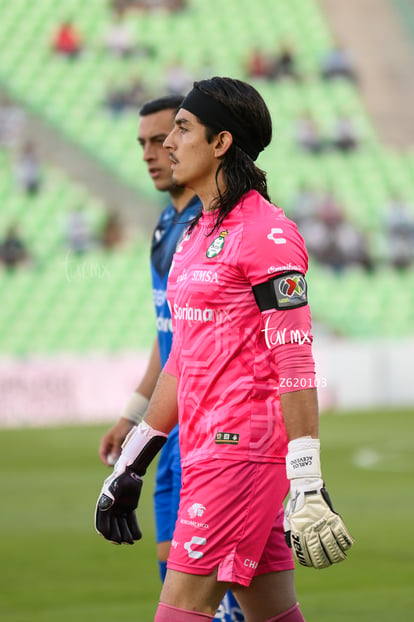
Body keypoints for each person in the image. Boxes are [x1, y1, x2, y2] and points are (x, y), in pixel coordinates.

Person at [95, 77, 354, 622]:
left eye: (182, 129)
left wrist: (306, 477)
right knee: (273, 615)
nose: (168, 144)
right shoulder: (194, 235)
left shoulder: (268, 234)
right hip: (207, 452)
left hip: (241, 459)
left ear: (221, 143)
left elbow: (295, 358)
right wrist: (134, 464)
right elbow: (180, 361)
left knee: (180, 613)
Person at [98, 94, 244, 622]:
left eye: (163, 138)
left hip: (214, 431)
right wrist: (134, 413)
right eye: (142, 143)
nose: (152, 153)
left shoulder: (220, 228)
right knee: (180, 583)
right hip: (168, 427)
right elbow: (172, 338)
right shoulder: (168, 228)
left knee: (215, 596)